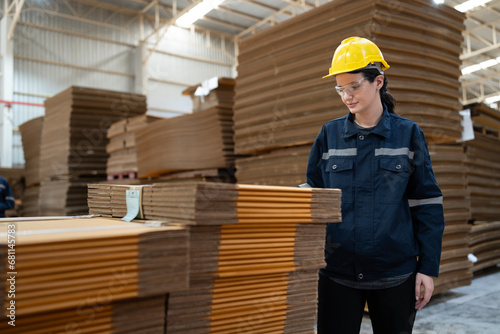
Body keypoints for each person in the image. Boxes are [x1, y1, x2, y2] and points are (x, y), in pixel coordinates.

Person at [306, 37, 445, 333]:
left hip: (395, 273)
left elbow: (427, 203)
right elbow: (313, 199)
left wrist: (428, 268)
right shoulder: (328, 135)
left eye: (354, 86)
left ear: (378, 81)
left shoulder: (408, 134)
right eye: (340, 89)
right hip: (337, 272)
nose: (347, 96)